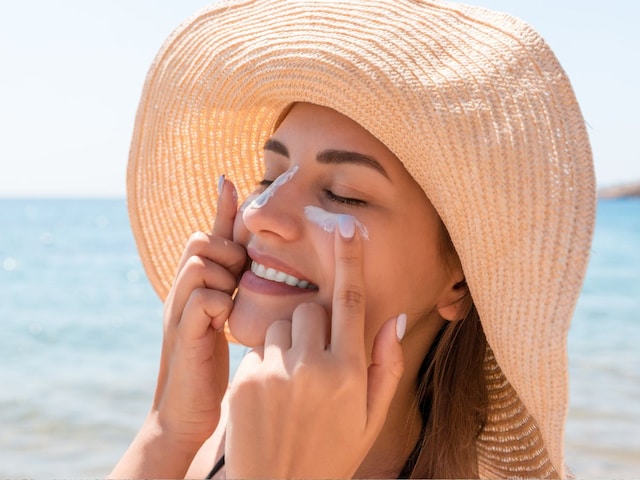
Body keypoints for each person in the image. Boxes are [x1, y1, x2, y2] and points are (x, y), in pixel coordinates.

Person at [110, 0, 595, 478]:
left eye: (344, 195)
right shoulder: (228, 428)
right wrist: (168, 428)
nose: (260, 214)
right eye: (269, 177)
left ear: (460, 282)